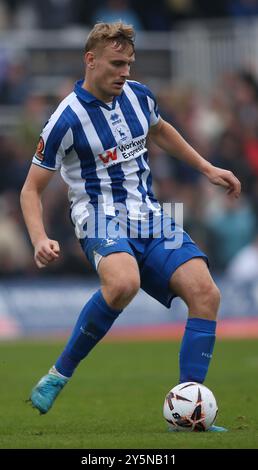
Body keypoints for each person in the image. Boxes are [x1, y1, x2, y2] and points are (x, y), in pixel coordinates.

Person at [20, 22, 241, 431]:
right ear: (91, 60)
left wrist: (207, 167)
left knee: (206, 292)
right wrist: (39, 238)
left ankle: (188, 412)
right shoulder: (65, 119)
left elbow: (160, 129)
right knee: (123, 283)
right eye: (117, 63)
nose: (125, 72)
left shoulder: (139, 97)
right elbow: (31, 189)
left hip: (152, 215)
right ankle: (59, 374)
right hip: (99, 216)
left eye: (129, 63)